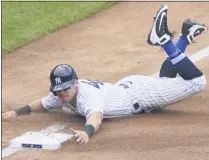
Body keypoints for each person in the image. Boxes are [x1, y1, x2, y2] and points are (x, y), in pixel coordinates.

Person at [2, 5, 207, 144]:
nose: (61, 94)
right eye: (58, 91)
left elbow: (96, 117)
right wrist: (17, 112)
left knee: (197, 82)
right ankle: (185, 36)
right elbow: (43, 103)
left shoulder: (86, 96)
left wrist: (87, 132)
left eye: (64, 89)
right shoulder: (64, 93)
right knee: (167, 77)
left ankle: (163, 40)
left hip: (141, 95)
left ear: (74, 83)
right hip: (132, 87)